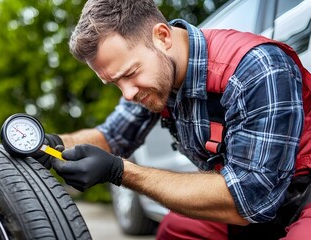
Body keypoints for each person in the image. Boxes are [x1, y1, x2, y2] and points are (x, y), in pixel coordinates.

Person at [32, 0, 311, 239]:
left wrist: (120, 172)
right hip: (260, 199)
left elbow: (251, 199)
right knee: (176, 230)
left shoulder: (256, 67)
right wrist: (52, 144)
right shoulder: (155, 77)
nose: (127, 93)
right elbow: (110, 137)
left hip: (301, 192)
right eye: (115, 83)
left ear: (163, 36)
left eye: (129, 74)